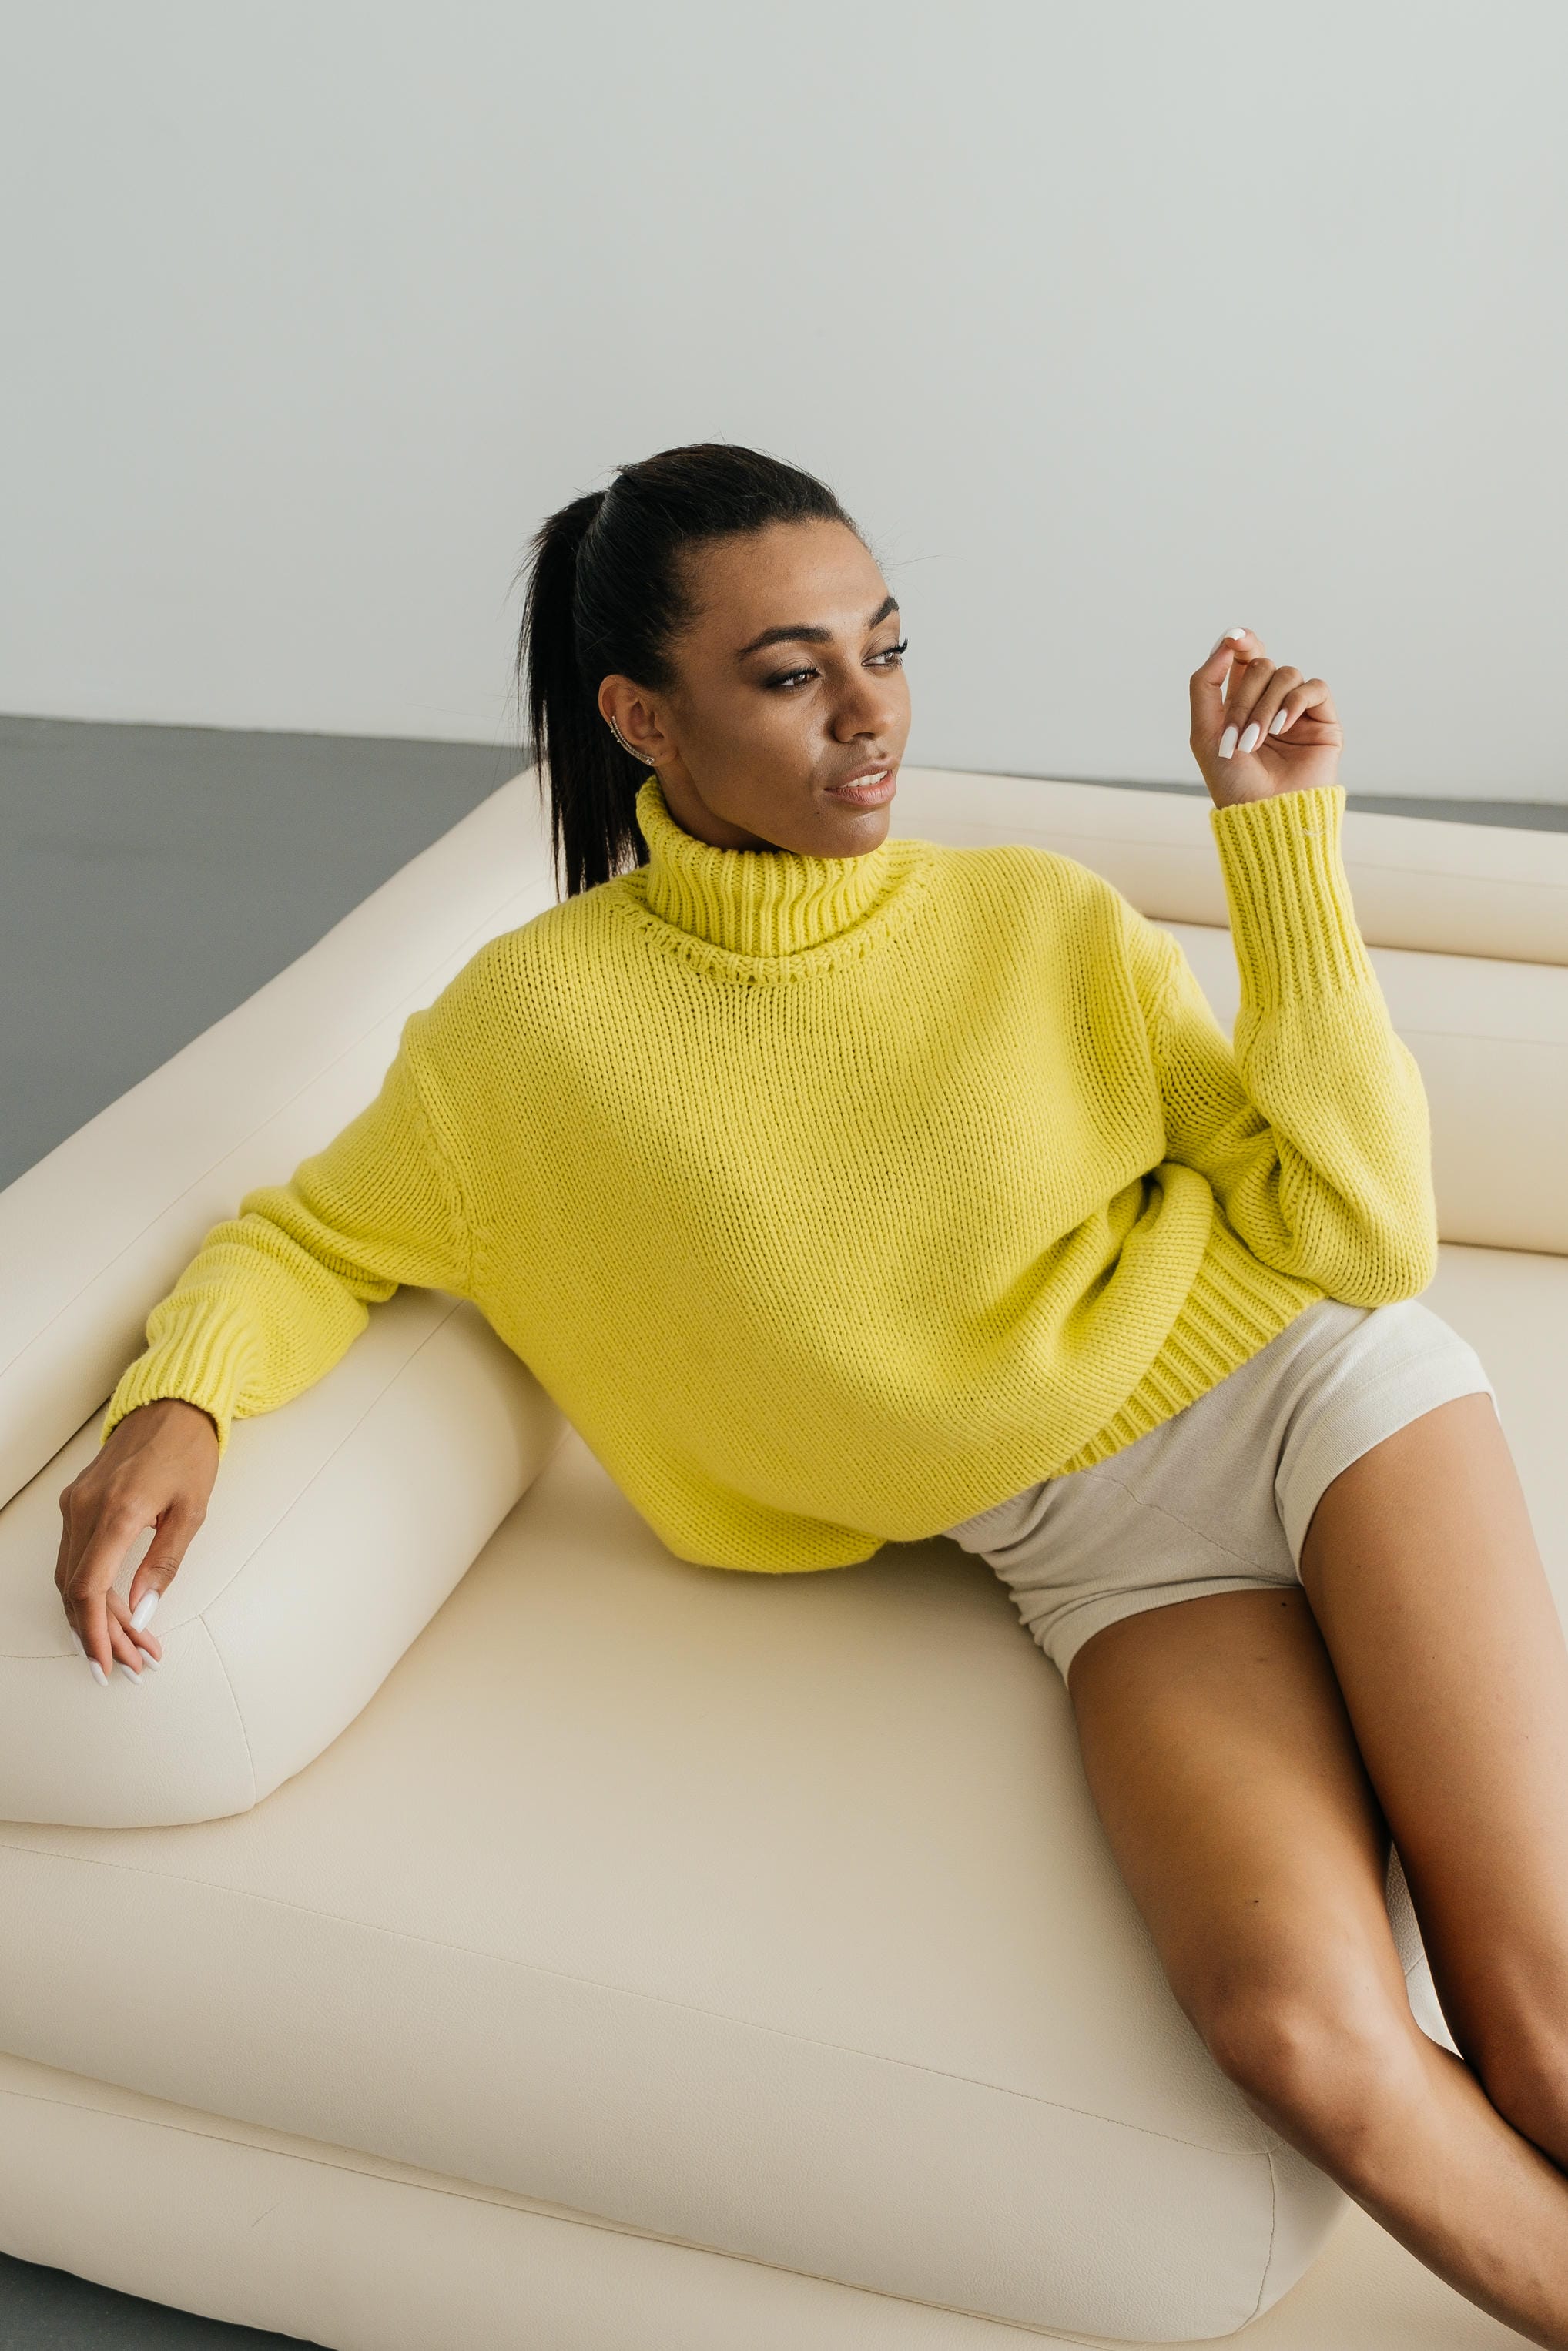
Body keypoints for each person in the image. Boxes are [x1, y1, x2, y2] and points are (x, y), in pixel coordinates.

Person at [55, 442, 1568, 2347]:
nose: (872, 721)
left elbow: (1363, 1233)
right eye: (790, 675)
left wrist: (1280, 840)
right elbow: (314, 1239)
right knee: (1295, 2033)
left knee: (1540, 2016)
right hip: (1091, 1557)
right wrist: (177, 1405)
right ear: (638, 717)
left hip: (1308, 1400)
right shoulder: (532, 1037)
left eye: (888, 650)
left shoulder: (1038, 920)